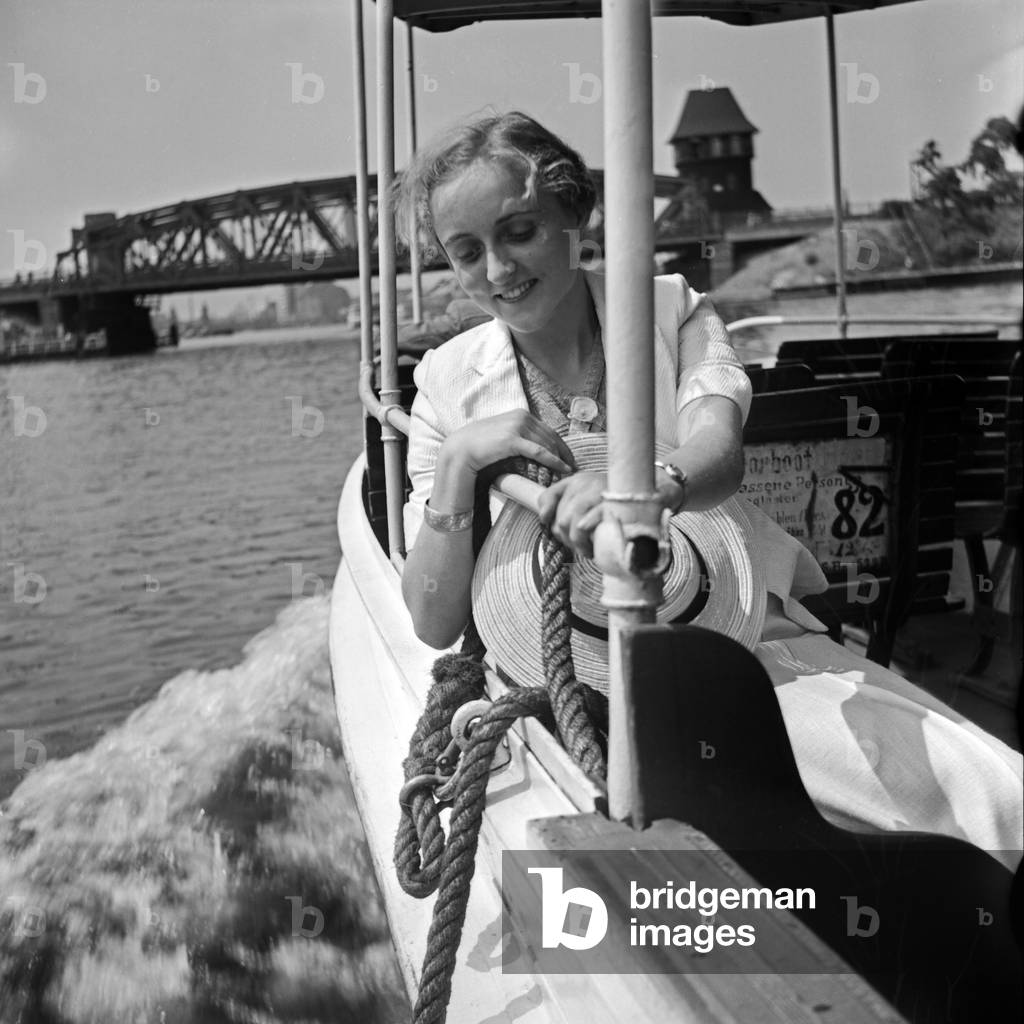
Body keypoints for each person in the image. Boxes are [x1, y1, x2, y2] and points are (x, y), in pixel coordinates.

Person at [395, 111, 1023, 868]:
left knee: (980, 794)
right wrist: (459, 463)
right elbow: (433, 620)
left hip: (736, 632)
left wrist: (651, 489)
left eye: (519, 232)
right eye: (467, 252)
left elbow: (719, 452)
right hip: (554, 680)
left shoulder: (671, 311)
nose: (497, 270)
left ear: (574, 214)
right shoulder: (446, 383)